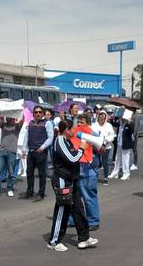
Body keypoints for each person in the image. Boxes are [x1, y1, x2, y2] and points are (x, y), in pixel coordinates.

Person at [46, 120, 98, 252]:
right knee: (61, 211)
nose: (74, 131)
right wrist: (82, 148)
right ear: (66, 130)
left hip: (71, 180)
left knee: (78, 209)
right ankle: (54, 241)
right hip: (63, 181)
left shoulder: (67, 141)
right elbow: (72, 158)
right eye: (72, 129)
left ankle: (84, 238)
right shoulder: (60, 141)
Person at [71, 114, 100, 229]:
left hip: (88, 172)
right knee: (74, 198)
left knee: (89, 197)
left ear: (88, 123)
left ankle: (93, 221)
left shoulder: (93, 134)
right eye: (78, 122)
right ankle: (73, 220)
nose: (79, 124)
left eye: (81, 122)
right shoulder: (74, 133)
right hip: (76, 171)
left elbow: (101, 148)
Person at [22, 105, 54, 200]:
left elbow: (50, 138)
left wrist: (42, 147)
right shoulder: (30, 123)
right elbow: (26, 137)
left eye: (40, 112)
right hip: (31, 151)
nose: (38, 114)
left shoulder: (47, 123)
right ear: (33, 114)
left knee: (41, 174)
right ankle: (30, 192)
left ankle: (41, 193)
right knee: (29, 173)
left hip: (41, 152)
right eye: (36, 112)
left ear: (43, 114)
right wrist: (24, 149)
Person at [0, 116, 20, 198]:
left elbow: (22, 119)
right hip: (1, 151)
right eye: (7, 117)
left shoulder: (17, 126)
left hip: (12, 152)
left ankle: (10, 189)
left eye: (10, 117)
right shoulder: (3, 125)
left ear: (14, 118)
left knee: (11, 173)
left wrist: (20, 111)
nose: (8, 118)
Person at [108, 114, 135, 180]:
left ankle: (126, 173)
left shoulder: (128, 124)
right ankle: (115, 172)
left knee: (125, 159)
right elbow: (114, 124)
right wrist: (111, 119)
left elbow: (132, 130)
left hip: (126, 144)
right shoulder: (120, 123)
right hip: (119, 143)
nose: (122, 118)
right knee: (117, 159)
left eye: (123, 117)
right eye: (121, 117)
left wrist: (129, 122)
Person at [91, 111, 115, 183]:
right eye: (100, 116)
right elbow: (91, 134)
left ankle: (105, 177)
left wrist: (106, 140)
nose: (102, 118)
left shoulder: (109, 125)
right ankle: (95, 176)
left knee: (105, 162)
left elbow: (112, 136)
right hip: (96, 147)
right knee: (96, 162)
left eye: (103, 117)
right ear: (98, 117)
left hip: (106, 146)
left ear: (106, 118)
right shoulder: (94, 125)